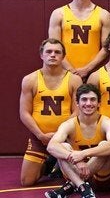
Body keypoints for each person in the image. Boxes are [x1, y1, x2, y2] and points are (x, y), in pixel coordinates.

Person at [19, 39, 83, 187]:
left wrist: (59, 134)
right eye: (48, 51)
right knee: (26, 181)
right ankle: (50, 162)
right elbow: (24, 113)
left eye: (57, 52)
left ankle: (59, 161)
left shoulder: (74, 80)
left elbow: (77, 111)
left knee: (75, 178)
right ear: (41, 55)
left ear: (63, 56)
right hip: (40, 137)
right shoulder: (30, 79)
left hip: (66, 138)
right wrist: (40, 134)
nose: (53, 55)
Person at [44, 84, 110, 198]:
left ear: (99, 103)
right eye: (84, 99)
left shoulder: (107, 122)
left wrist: (83, 154)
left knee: (104, 145)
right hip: (75, 171)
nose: (88, 103)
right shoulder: (69, 124)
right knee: (63, 147)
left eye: (93, 99)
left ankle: (70, 187)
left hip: (102, 180)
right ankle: (83, 187)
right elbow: (51, 146)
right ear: (77, 103)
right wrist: (75, 159)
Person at [48, 0, 110, 79]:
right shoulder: (59, 14)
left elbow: (106, 48)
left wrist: (87, 69)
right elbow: (54, 46)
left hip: (93, 73)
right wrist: (71, 70)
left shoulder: (103, 15)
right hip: (64, 72)